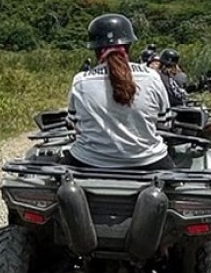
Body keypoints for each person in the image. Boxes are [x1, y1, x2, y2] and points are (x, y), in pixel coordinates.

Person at [64, 13, 173, 170]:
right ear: (129, 45)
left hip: (89, 162)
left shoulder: (81, 80)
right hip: (148, 162)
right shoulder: (152, 77)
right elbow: (165, 124)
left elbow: (74, 124)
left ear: (95, 49)